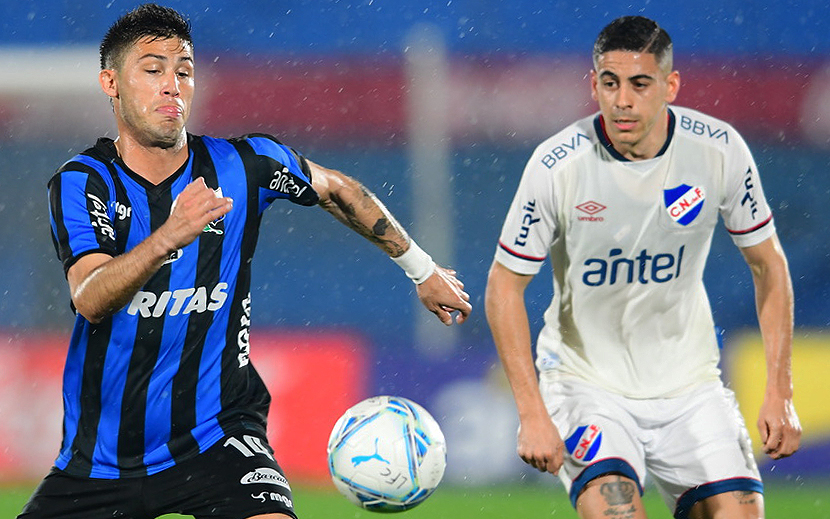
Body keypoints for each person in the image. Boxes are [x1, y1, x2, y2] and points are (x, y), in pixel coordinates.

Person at [19, 4, 471, 519]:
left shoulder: (243, 164)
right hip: (102, 460)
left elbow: (336, 190)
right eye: (152, 69)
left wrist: (421, 268)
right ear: (111, 83)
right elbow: (90, 296)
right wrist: (169, 235)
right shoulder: (84, 182)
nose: (172, 85)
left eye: (183, 71)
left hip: (220, 438)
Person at [485, 15, 800, 519]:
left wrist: (779, 391)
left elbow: (769, 266)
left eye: (639, 83)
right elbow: (504, 285)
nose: (622, 100)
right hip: (586, 384)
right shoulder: (557, 166)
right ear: (594, 85)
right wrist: (531, 411)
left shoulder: (719, 151)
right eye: (609, 83)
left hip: (689, 385)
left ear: (670, 86)